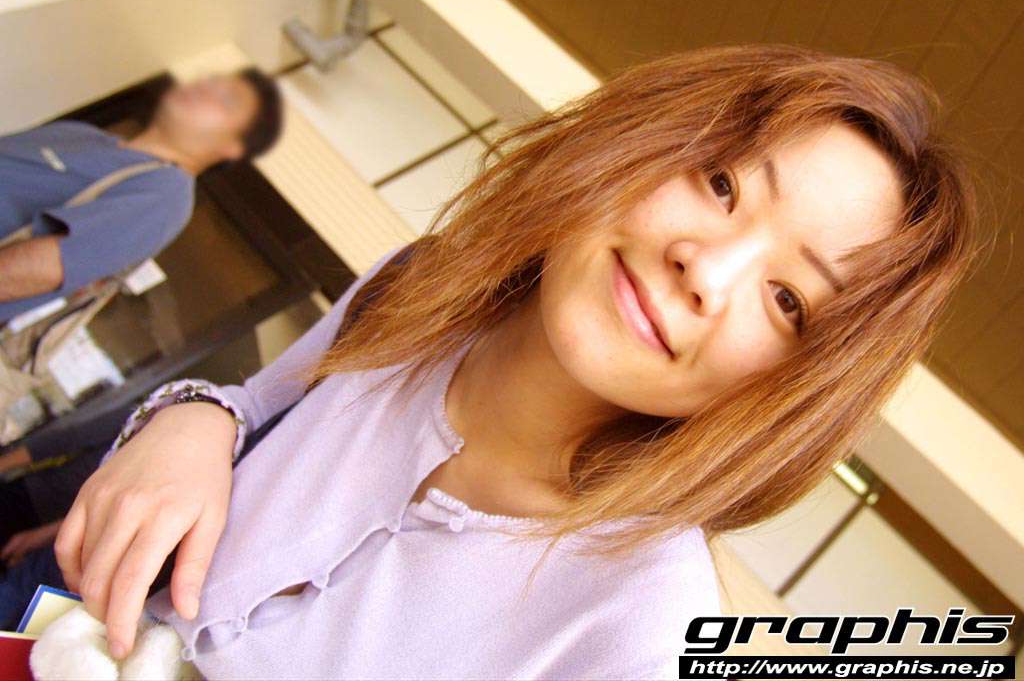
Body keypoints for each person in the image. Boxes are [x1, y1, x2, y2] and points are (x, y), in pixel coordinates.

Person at [53, 44, 979, 679]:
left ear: (791, 388)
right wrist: (188, 420)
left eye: (789, 300)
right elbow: (256, 405)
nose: (706, 269)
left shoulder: (636, 634)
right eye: (722, 183)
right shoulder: (421, 285)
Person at [0, 67, 284, 324]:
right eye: (211, 79)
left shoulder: (167, 195)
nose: (204, 87)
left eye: (226, 100)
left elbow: (42, 269)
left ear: (234, 148)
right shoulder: (81, 133)